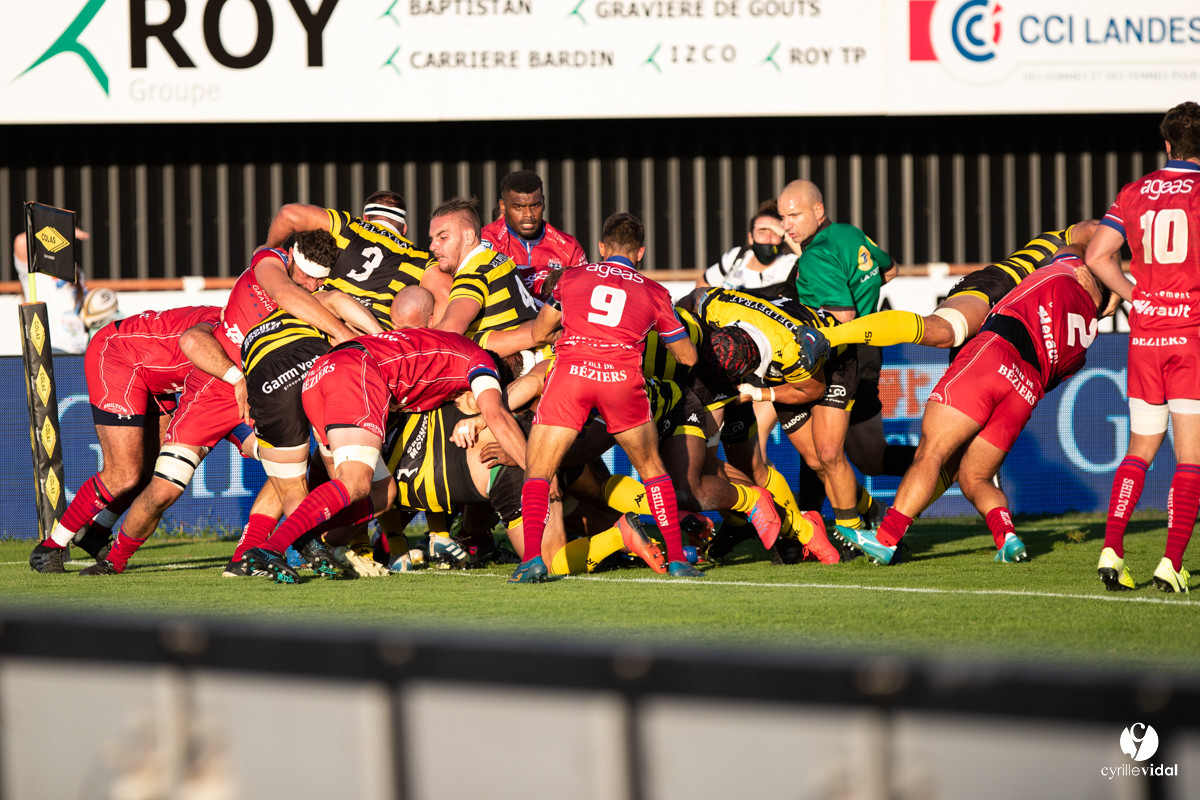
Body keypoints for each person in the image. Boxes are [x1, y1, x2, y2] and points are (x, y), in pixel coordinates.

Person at [76, 232, 356, 576]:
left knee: (286, 466)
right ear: (292, 258)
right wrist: (344, 338)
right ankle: (113, 560)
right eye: (308, 275)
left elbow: (334, 302)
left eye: (320, 279)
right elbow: (284, 294)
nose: (313, 285)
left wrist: (367, 342)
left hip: (262, 392)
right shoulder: (270, 262)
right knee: (163, 490)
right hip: (213, 389)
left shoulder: (316, 294)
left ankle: (251, 554)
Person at [838, 252, 1114, 566]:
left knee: (933, 451)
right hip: (1026, 390)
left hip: (996, 353)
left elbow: (1082, 248)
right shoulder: (1085, 338)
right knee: (976, 478)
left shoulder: (1061, 273)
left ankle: (886, 538)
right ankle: (1007, 536)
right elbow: (1052, 380)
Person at [242, 326, 529, 583]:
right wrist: (537, 472)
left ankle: (306, 542)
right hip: (357, 372)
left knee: (383, 493)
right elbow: (495, 413)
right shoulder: (482, 362)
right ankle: (272, 547)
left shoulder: (445, 354)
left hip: (322, 374)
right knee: (355, 483)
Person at [512, 211, 703, 583]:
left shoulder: (570, 277)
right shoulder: (655, 292)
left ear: (602, 247)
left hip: (571, 374)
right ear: (641, 252)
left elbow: (539, 331)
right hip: (621, 378)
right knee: (652, 470)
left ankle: (532, 559)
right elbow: (688, 357)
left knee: (538, 471)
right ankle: (677, 560)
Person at [1087, 101, 1200, 594]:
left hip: (1148, 336)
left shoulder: (1134, 191)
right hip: (1191, 336)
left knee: (1140, 449)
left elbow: (1097, 254)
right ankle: (1171, 561)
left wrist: (1138, 295)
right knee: (1191, 457)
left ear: (1168, 145)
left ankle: (1112, 549)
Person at [26, 305, 221, 573]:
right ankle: (50, 548)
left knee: (153, 472)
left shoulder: (245, 328)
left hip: (155, 374)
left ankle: (96, 532)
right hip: (120, 358)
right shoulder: (230, 333)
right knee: (123, 475)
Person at [778, 179, 910, 521]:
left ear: (818, 210)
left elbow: (843, 315)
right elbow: (891, 269)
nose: (786, 226)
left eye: (794, 215)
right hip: (867, 349)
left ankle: (820, 524)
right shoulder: (850, 234)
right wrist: (860, 291)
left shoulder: (816, 255)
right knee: (869, 457)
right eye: (783, 217)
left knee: (824, 448)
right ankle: (952, 464)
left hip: (840, 356)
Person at [795, 222, 1100, 363]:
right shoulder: (1070, 241)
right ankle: (826, 338)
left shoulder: (1092, 289)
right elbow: (1094, 230)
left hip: (1016, 325)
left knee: (971, 460)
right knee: (944, 332)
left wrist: (1103, 297)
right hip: (1000, 286)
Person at [263, 191, 452, 326]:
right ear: (404, 230)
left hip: (322, 326)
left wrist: (268, 247)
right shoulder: (420, 259)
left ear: (365, 218)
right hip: (371, 343)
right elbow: (445, 295)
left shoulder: (349, 227)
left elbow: (289, 214)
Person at [430, 197, 542, 357]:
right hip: (537, 351)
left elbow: (451, 331)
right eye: (432, 238)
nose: (433, 246)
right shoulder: (498, 258)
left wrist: (408, 344)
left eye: (442, 237)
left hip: (523, 360)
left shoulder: (473, 272)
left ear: (468, 236)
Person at [481, 170, 588, 297]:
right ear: (503, 206)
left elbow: (583, 296)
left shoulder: (568, 247)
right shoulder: (487, 240)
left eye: (535, 205)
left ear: (543, 202)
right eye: (519, 207)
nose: (529, 214)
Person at [13, 227, 95, 354]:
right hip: (51, 347)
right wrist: (60, 229)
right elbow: (20, 242)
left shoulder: (76, 272)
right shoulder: (36, 273)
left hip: (79, 347)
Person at [697, 200, 798, 299]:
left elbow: (811, 263)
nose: (768, 239)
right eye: (762, 232)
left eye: (775, 233)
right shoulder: (736, 256)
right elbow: (702, 285)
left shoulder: (790, 264)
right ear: (750, 237)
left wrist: (785, 233)